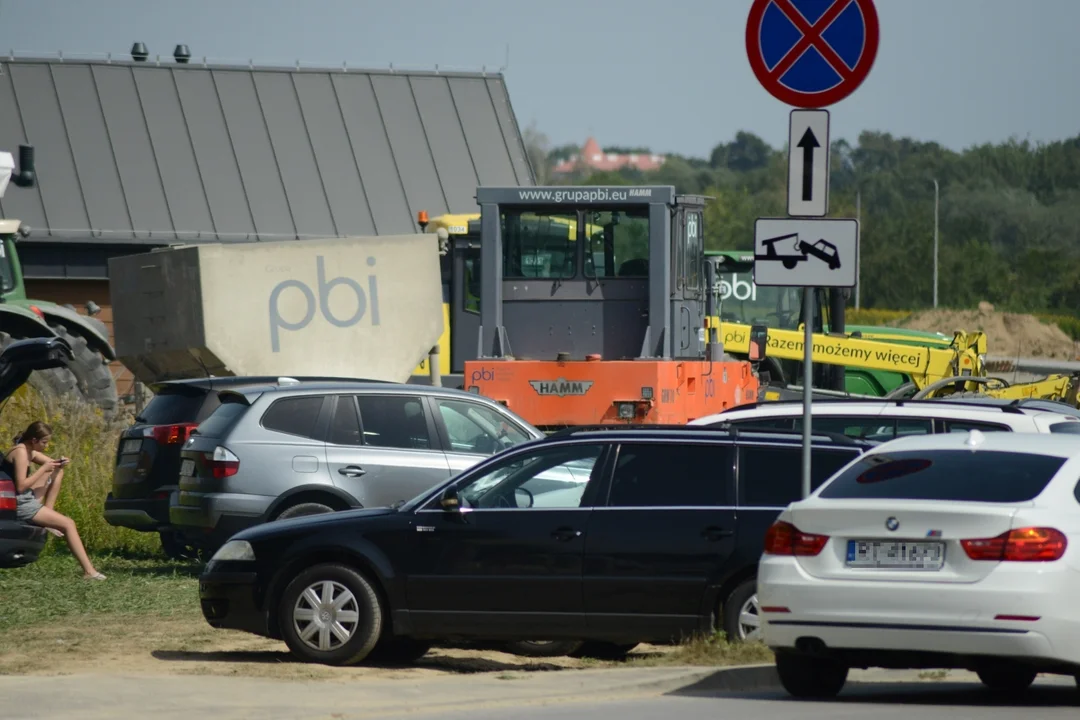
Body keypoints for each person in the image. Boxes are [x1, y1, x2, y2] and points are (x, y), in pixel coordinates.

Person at [2, 421, 105, 580]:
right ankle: (89, 572)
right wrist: (43, 469)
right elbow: (21, 486)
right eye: (44, 442)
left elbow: (51, 463)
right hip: (20, 502)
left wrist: (59, 462)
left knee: (57, 470)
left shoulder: (29, 450)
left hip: (26, 497)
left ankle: (48, 513)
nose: (47, 445)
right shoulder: (21, 452)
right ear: (34, 440)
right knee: (68, 524)